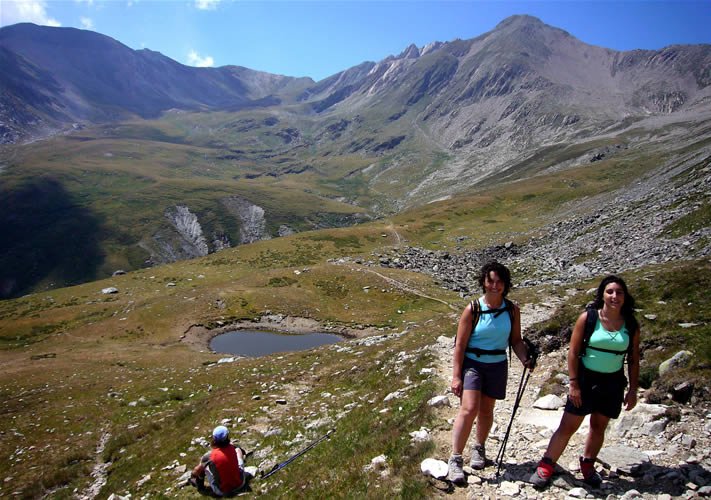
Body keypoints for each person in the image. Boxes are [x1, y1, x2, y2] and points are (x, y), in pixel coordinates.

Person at [529, 275, 640, 489]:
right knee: (569, 425)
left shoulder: (631, 325)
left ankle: (587, 465)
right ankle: (546, 465)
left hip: (613, 382)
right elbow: (573, 352)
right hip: (586, 379)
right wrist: (573, 384)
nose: (614, 296)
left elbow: (634, 359)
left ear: (625, 297)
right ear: (602, 295)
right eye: (610, 292)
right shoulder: (588, 318)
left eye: (619, 292)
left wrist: (633, 389)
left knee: (599, 426)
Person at [447, 261, 534, 484]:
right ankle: (456, 458)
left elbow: (515, 340)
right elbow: (460, 345)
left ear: (505, 285)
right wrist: (456, 376)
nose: (494, 286)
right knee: (469, 409)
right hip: (473, 364)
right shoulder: (473, 309)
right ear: (484, 283)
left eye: (499, 282)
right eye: (490, 281)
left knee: (486, 409)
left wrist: (525, 357)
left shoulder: (512, 310)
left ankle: (479, 448)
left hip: (497, 364)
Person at [190, 425, 246, 496]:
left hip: (222, 491)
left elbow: (196, 471)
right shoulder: (232, 447)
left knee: (203, 468)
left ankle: (200, 487)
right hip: (240, 484)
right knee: (238, 450)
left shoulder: (209, 456)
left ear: (214, 439)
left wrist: (192, 476)